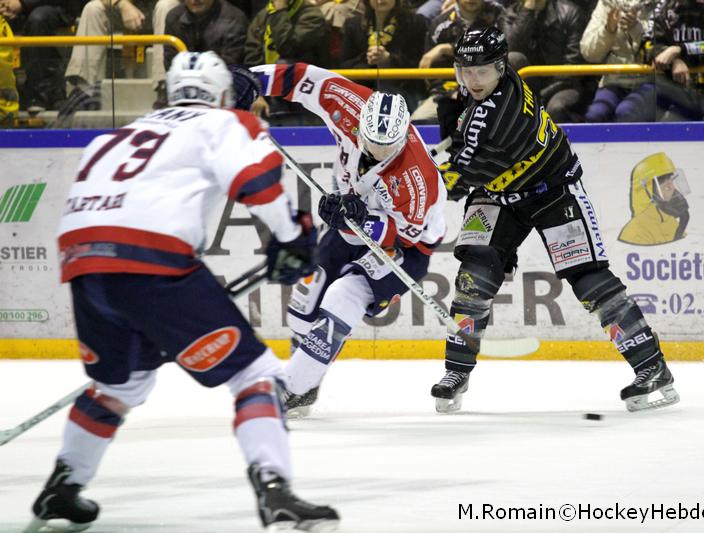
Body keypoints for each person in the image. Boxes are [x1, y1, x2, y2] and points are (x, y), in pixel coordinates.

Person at [26, 51, 339, 533]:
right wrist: (293, 237)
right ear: (223, 94)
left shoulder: (117, 135)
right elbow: (256, 180)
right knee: (255, 374)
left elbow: (90, 209)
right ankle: (275, 489)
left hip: (85, 264)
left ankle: (63, 487)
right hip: (152, 262)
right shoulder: (224, 121)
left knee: (119, 386)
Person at [431, 26, 680, 413]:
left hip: (552, 191)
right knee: (474, 277)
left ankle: (652, 367)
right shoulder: (492, 83)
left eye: (482, 71)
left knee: (590, 281)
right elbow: (466, 142)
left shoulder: (499, 118)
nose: (474, 80)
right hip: (499, 193)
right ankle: (456, 372)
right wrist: (453, 117)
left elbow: (458, 180)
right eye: (466, 71)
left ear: (500, 68)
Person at [246, 62, 447, 415]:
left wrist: (361, 219)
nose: (376, 152)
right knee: (303, 308)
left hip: (405, 249)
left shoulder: (417, 179)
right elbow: (302, 78)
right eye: (371, 142)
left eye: (387, 147)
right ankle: (307, 385)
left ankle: (293, 387)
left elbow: (405, 234)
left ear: (404, 135)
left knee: (343, 295)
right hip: (350, 227)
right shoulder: (350, 104)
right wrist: (243, 82)